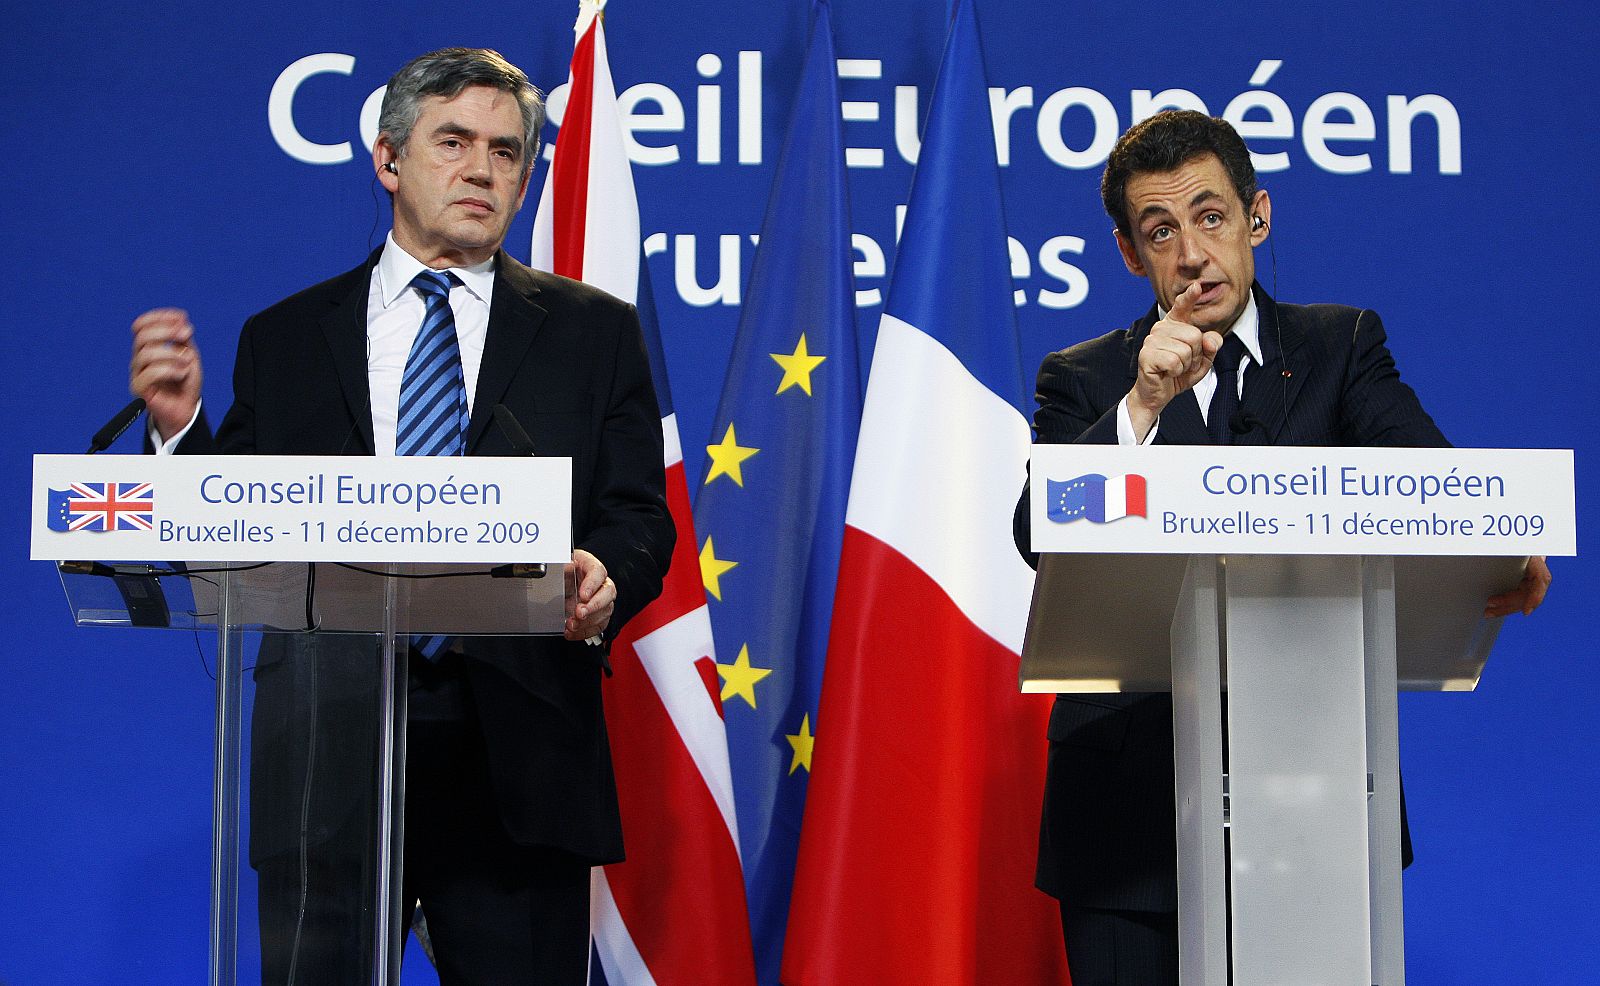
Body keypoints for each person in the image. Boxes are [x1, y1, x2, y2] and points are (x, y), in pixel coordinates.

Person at [128, 47, 674, 984]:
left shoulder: (592, 331)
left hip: (518, 738)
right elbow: (238, 521)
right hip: (326, 738)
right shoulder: (289, 337)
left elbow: (637, 513)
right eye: (453, 142)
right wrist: (182, 437)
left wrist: (605, 572)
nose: (482, 170)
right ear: (387, 162)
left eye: (508, 152)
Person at [1013, 109, 1551, 985]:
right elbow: (1038, 533)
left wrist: (1500, 549)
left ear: (1256, 217)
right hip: (1126, 817)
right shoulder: (1086, 379)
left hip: (1317, 790)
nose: (1191, 253)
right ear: (1128, 254)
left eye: (1211, 217)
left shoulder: (1338, 348)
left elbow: (1439, 489)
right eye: (1161, 231)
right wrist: (1143, 409)